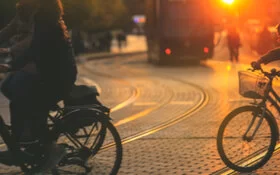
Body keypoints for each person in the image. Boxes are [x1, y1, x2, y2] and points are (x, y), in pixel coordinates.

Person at [0, 0, 77, 171]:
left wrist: (11, 63)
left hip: (57, 78)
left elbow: (34, 49)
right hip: (47, 73)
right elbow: (26, 45)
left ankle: (49, 149)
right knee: (12, 87)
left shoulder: (45, 21)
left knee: (22, 93)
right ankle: (27, 141)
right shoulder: (38, 16)